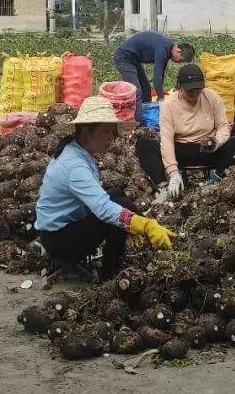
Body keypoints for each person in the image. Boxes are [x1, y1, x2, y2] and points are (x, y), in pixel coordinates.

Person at [35, 96, 174, 278]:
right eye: (106, 132)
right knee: (113, 213)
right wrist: (145, 225)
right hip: (59, 240)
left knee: (116, 195)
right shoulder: (75, 166)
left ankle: (118, 255)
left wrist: (132, 221)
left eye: (112, 132)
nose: (111, 138)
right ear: (86, 133)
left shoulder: (77, 151)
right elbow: (104, 209)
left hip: (64, 228)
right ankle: (110, 275)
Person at [136, 64, 235, 202]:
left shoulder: (211, 97)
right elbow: (167, 140)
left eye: (198, 90)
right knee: (144, 144)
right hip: (181, 150)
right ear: (179, 86)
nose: (194, 94)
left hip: (208, 148)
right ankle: (164, 187)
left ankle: (216, 178)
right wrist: (173, 172)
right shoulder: (169, 105)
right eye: (190, 91)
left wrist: (217, 142)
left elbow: (223, 126)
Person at [113, 31, 195, 121]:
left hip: (133, 59)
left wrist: (160, 95)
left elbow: (161, 74)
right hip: (124, 58)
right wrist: (161, 99)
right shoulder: (163, 49)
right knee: (136, 91)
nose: (179, 63)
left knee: (146, 88)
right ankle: (138, 122)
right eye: (181, 60)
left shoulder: (167, 49)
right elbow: (157, 74)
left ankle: (147, 114)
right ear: (178, 51)